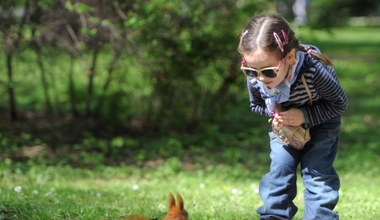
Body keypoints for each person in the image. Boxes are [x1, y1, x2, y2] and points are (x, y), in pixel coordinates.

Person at [237, 14, 348, 220]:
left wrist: (304, 115)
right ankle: (274, 215)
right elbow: (256, 104)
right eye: (250, 70)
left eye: (269, 71)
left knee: (318, 174)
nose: (260, 78)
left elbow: (339, 103)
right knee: (279, 172)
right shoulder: (256, 78)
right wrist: (275, 112)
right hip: (285, 129)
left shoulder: (314, 71)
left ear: (290, 58)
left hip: (323, 125)